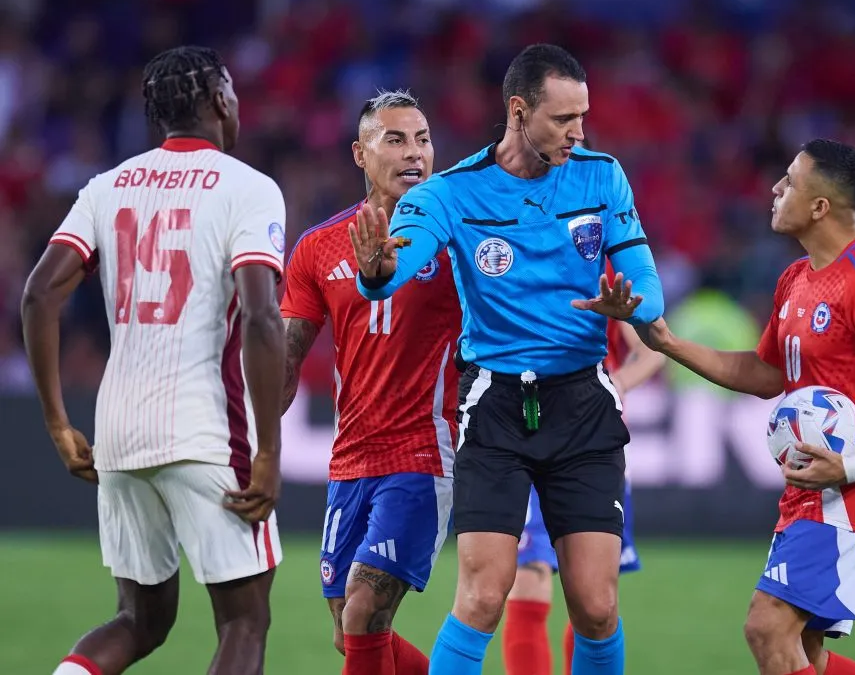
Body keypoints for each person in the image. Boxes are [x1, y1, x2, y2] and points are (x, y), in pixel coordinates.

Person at [349, 43, 665, 675]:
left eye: (583, 117)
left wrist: (625, 303)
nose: (579, 133)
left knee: (597, 606)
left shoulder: (602, 175)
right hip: (494, 405)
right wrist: (378, 268)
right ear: (519, 111)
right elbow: (392, 269)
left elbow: (649, 295)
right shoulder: (452, 193)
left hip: (582, 403)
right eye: (563, 120)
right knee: (483, 596)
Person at [22, 46, 286, 675]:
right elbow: (260, 315)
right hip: (205, 428)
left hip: (117, 429)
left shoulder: (107, 186)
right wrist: (270, 453)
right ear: (221, 99)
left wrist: (59, 422)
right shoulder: (249, 188)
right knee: (245, 621)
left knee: (140, 621)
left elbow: (38, 294)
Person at [636, 139, 855, 675]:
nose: (775, 189)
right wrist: (667, 342)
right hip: (809, 489)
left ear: (820, 206)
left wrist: (852, 464)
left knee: (766, 624)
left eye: (790, 181)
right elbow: (765, 374)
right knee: (805, 652)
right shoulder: (796, 279)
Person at [279, 89, 459, 675]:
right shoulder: (316, 248)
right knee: (350, 630)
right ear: (360, 154)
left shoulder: (457, 240)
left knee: (362, 613)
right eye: (396, 139)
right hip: (350, 457)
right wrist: (249, 432)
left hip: (421, 451)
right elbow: (286, 358)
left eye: (424, 139)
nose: (415, 154)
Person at [503, 300, 664, 675]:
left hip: (591, 444)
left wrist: (617, 383)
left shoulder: (601, 262)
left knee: (593, 600)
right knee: (528, 579)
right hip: (523, 439)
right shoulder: (507, 248)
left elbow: (653, 349)